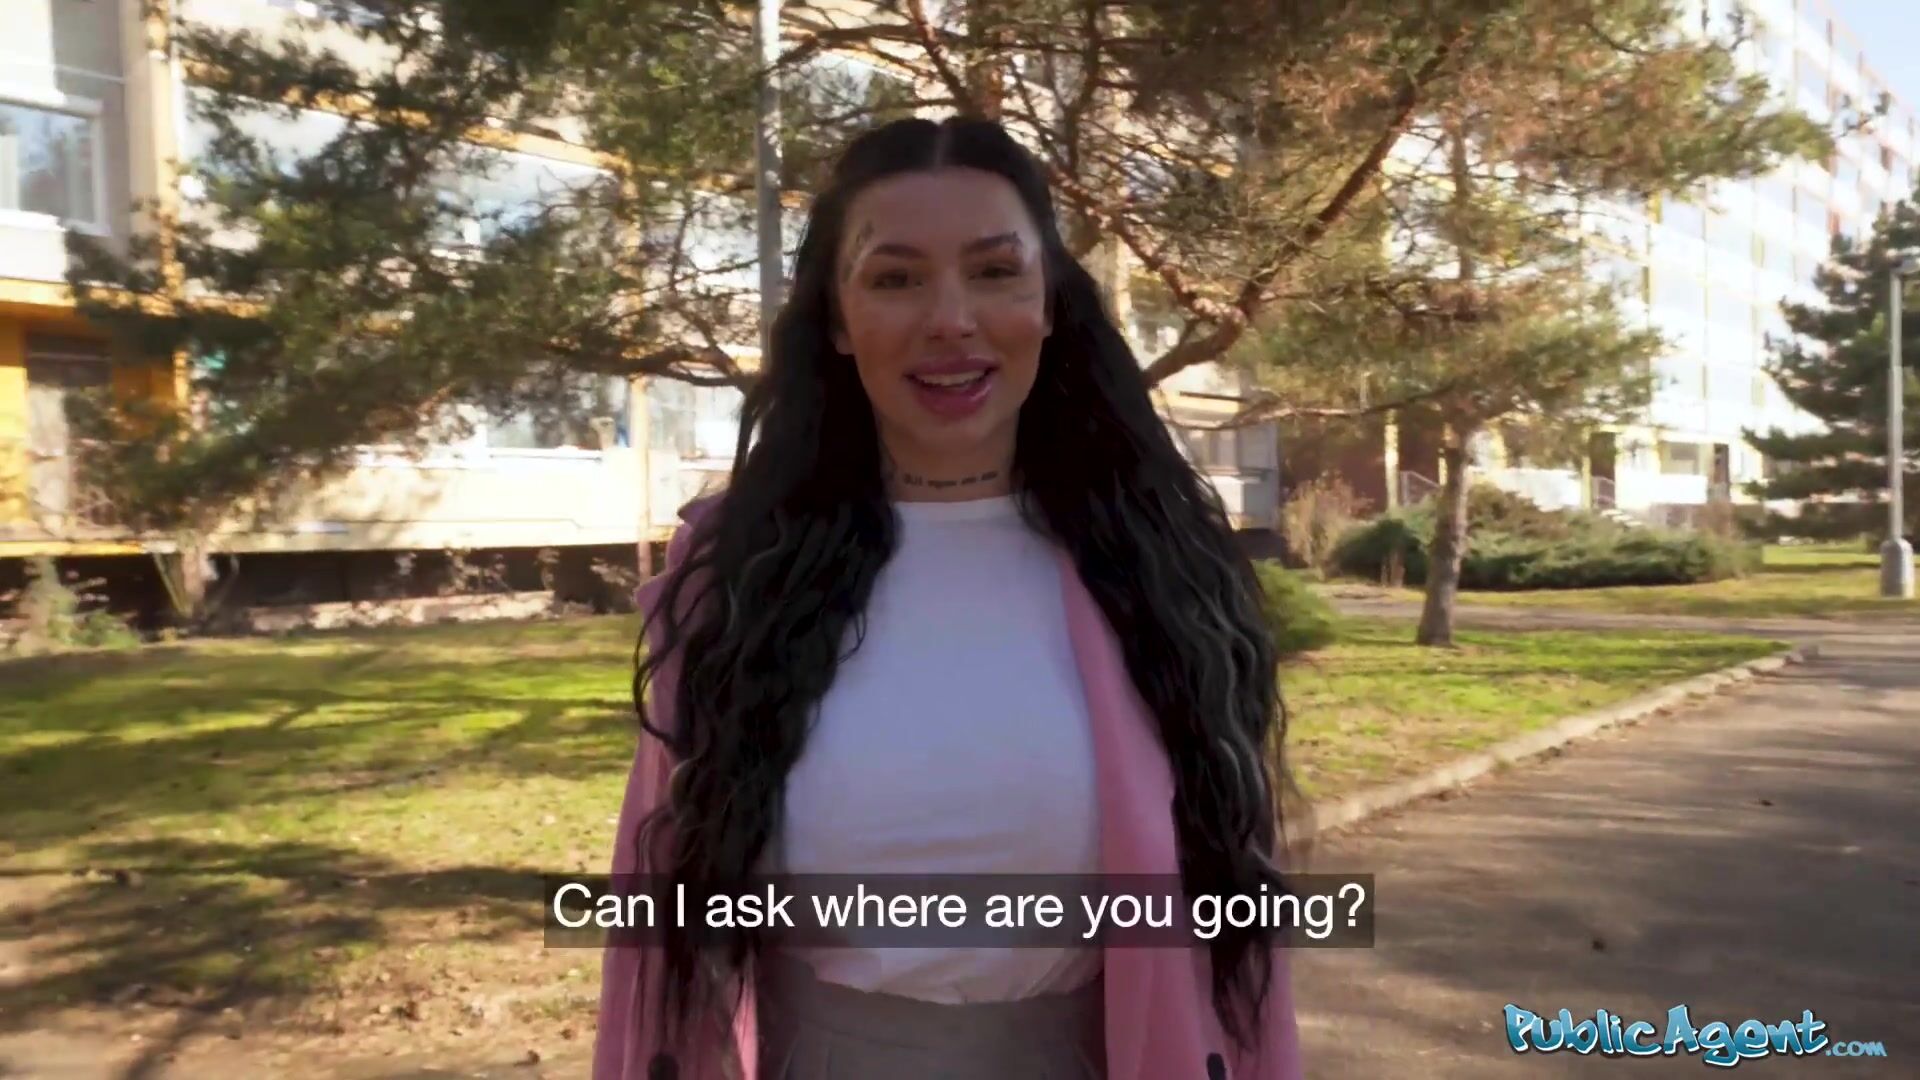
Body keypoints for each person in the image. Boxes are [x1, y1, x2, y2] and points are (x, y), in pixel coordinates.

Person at [595, 114, 1304, 1080]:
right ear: (837, 320)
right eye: (895, 279)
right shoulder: (736, 575)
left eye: (994, 270)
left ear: (1048, 302)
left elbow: (1242, 943)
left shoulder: (1160, 569)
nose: (951, 319)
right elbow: (658, 926)